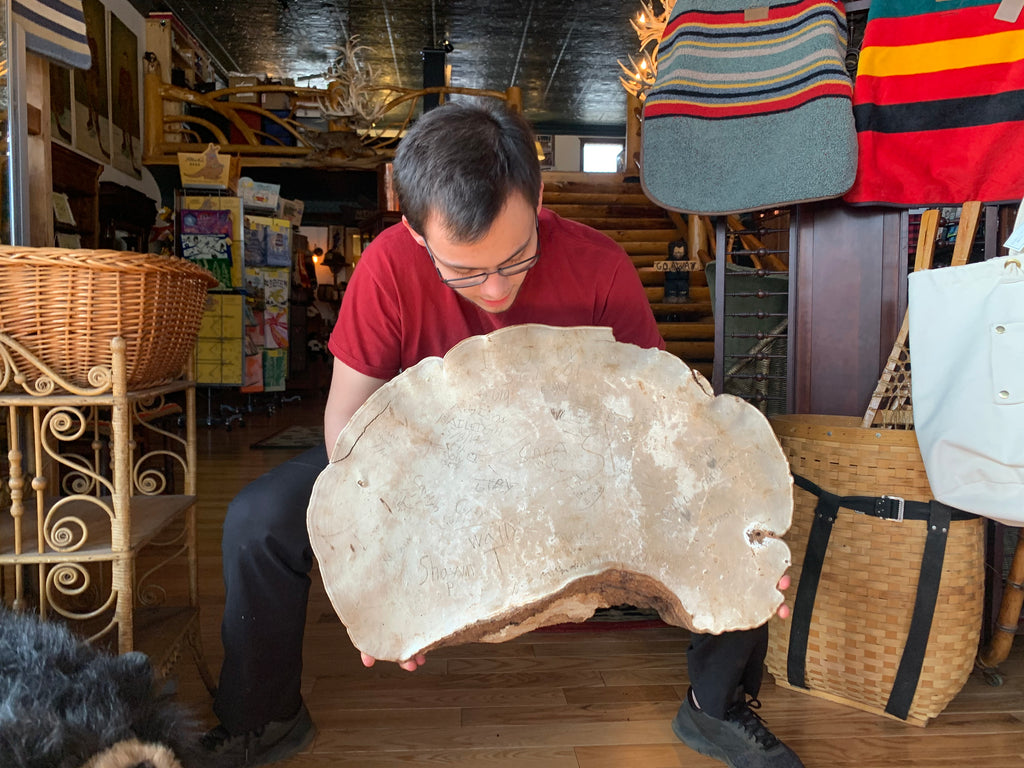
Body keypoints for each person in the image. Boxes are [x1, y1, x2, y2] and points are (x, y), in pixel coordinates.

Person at [200, 101, 803, 768]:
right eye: (464, 272)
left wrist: (730, 544)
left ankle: (714, 710)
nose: (495, 290)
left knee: (742, 505)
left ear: (539, 196)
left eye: (517, 258)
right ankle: (265, 716)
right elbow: (348, 423)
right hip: (431, 469)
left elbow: (662, 421)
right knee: (259, 520)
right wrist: (378, 562)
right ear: (416, 229)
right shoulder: (387, 266)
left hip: (578, 466)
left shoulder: (598, 265)